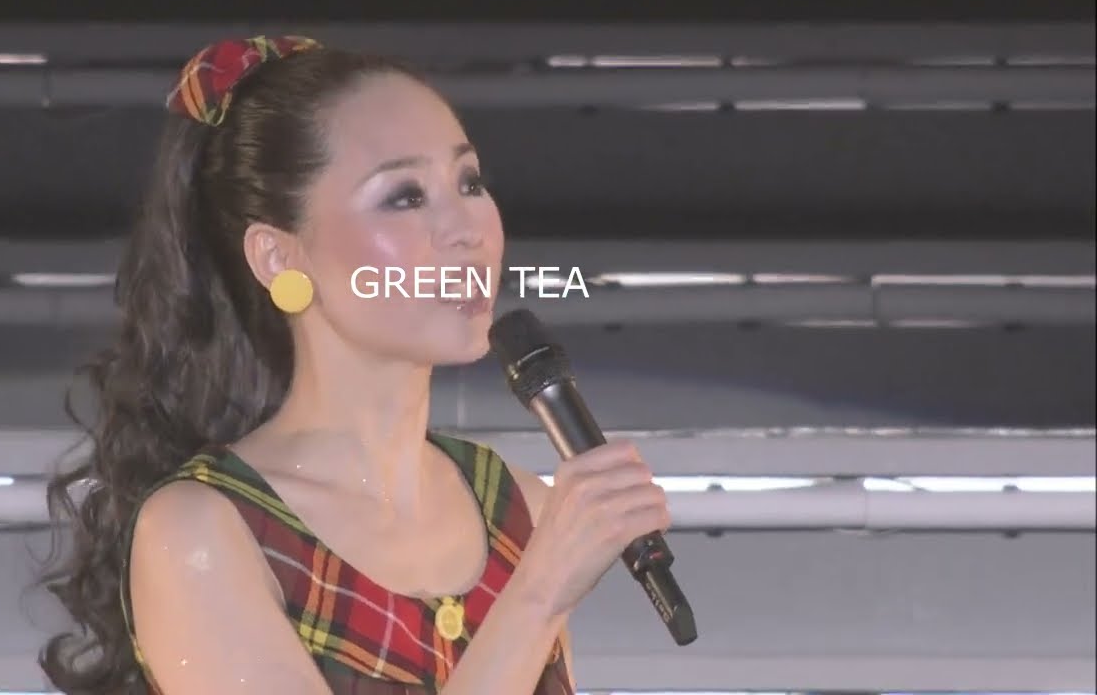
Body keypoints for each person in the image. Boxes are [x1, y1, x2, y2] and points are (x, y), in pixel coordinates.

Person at [37, 35, 673, 694]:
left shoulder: (520, 510)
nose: (467, 228)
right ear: (279, 257)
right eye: (405, 196)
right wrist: (539, 591)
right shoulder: (205, 529)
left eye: (470, 182)